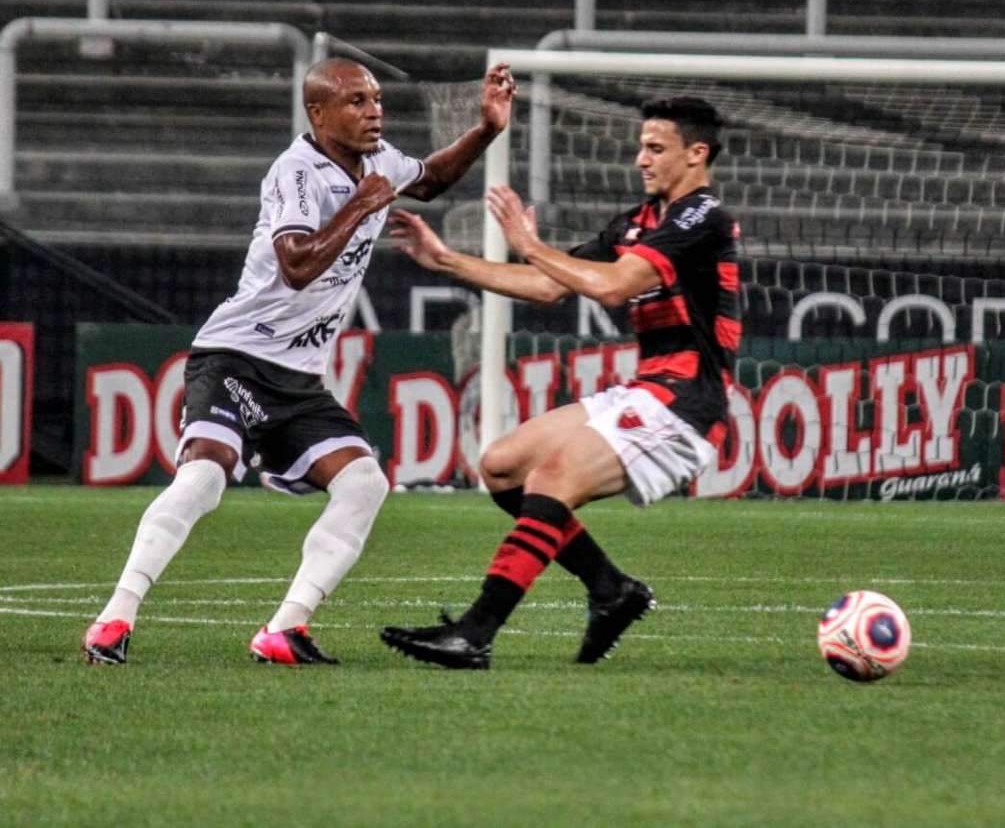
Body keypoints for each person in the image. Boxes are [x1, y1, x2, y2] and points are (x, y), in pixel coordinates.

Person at [82, 57, 517, 666]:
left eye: (376, 100)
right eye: (358, 102)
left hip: (298, 379)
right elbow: (297, 264)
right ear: (318, 112)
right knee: (205, 477)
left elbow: (431, 179)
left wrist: (486, 131)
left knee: (365, 483)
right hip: (235, 356)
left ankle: (285, 629)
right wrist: (360, 208)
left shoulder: (379, 162)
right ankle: (113, 619)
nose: (375, 112)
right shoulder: (296, 172)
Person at [380, 96, 740, 669]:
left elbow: (615, 286)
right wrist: (448, 261)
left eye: (656, 148)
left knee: (552, 477)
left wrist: (529, 244)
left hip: (686, 405)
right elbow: (550, 286)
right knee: (501, 466)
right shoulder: (637, 223)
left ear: (697, 154)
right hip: (648, 391)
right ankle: (611, 589)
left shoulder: (702, 218)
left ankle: (475, 633)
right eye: (641, 146)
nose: (641, 159)